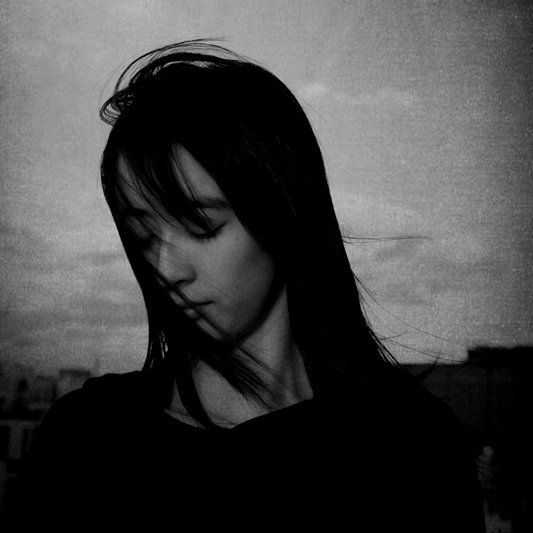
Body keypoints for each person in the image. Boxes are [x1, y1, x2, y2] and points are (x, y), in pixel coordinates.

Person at [9, 40, 486, 531]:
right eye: (144, 235)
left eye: (200, 226)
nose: (166, 268)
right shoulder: (87, 438)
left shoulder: (414, 447)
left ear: (281, 212)